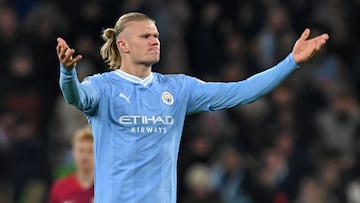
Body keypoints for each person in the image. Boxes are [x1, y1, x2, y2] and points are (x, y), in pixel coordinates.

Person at [56, 12, 328, 203]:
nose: (155, 40)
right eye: (145, 36)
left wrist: (291, 61)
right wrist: (68, 73)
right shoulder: (104, 87)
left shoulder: (177, 89)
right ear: (122, 44)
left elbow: (240, 91)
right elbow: (76, 97)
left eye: (156, 35)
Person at [48, 126, 94, 203]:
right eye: (81, 150)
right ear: (73, 153)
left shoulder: (107, 188)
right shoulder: (60, 188)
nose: (85, 156)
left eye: (90, 151)